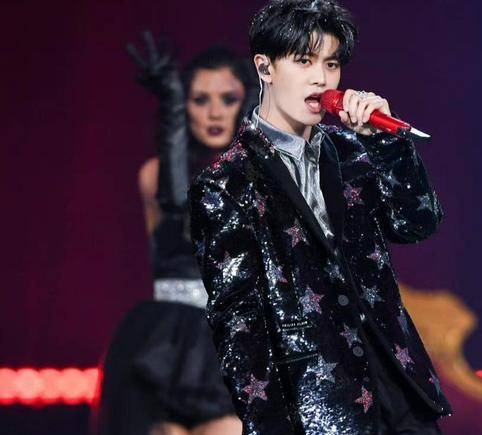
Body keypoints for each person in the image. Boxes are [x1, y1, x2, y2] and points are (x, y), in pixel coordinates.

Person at [189, 1, 453, 434]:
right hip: (318, 404)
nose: (321, 78)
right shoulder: (225, 184)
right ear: (265, 67)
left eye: (331, 63)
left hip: (399, 389)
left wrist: (387, 145)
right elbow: (239, 327)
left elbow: (417, 223)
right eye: (304, 61)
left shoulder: (352, 150)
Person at [96, 33, 256, 435]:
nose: (215, 112)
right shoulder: (154, 175)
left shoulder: (261, 180)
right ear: (182, 106)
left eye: (228, 99)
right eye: (200, 100)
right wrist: (171, 115)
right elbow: (184, 210)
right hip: (163, 343)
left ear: (247, 103)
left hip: (232, 343)